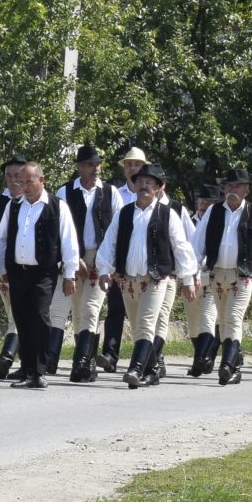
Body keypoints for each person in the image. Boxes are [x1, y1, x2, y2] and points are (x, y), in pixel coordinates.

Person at [93, 163, 199, 388]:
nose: (143, 186)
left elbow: (181, 248)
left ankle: (135, 369)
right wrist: (104, 270)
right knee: (137, 324)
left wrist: (188, 279)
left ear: (158, 187)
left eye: (149, 183)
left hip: (155, 280)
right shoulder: (124, 213)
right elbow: (109, 244)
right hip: (128, 281)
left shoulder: (168, 214)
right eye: (140, 181)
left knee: (146, 324)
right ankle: (151, 371)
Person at [0, 161, 77, 390]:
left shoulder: (57, 206)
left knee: (39, 315)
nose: (24, 186)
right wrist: (1, 270)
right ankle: (27, 368)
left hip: (44, 272)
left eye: (29, 181)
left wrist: (71, 274)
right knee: (22, 318)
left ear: (42, 181)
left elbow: (69, 241)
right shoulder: (13, 206)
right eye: (21, 182)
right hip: (17, 272)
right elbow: (1, 239)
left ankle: (39, 371)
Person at [192, 168, 252, 385]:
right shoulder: (213, 211)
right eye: (228, 186)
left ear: (246, 190)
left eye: (237, 186)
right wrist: (191, 272)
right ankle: (235, 364)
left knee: (233, 317)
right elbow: (197, 244)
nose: (232, 190)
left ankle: (227, 365)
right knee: (222, 319)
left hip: (243, 275)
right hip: (217, 274)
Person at [58, 144, 120, 384]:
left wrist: (106, 262)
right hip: (75, 256)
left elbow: (116, 230)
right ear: (79, 168)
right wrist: (72, 261)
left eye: (97, 163)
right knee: (77, 310)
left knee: (92, 308)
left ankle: (80, 362)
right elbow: (62, 232)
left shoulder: (110, 192)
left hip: (99, 256)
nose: (95, 168)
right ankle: (88, 360)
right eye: (89, 164)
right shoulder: (65, 193)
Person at [96, 146, 151, 373]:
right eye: (129, 164)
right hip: (123, 264)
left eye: (137, 164)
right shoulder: (116, 194)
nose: (132, 168)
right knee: (115, 310)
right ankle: (110, 354)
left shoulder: (153, 194)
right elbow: (112, 232)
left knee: (146, 315)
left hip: (147, 266)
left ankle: (152, 359)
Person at [0, 157, 29, 379]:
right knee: (15, 313)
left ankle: (7, 355)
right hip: (3, 270)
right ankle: (19, 360)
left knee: (19, 313)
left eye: (17, 176)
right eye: (9, 176)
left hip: (26, 269)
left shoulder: (35, 203)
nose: (14, 180)